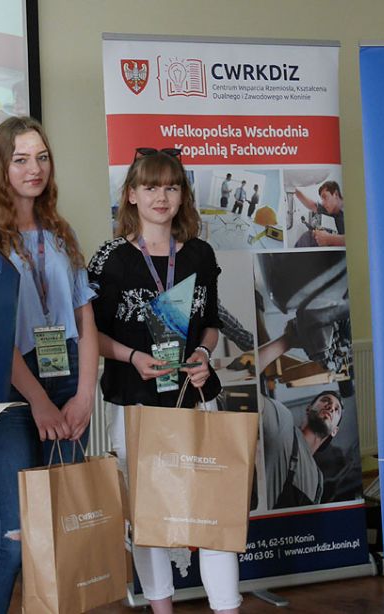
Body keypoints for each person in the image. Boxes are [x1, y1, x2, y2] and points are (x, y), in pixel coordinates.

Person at [88, 148, 240, 613]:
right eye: (150, 187)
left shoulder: (199, 253)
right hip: (135, 404)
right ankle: (161, 608)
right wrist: (133, 356)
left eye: (171, 187)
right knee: (149, 519)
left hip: (195, 399)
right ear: (131, 195)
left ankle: (227, 606)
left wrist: (203, 353)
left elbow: (210, 324)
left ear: (182, 196)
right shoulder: (110, 259)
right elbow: (91, 334)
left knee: (212, 512)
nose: (161, 197)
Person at [0, 116, 99, 614]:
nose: (34, 168)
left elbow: (85, 319)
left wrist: (84, 396)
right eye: (21, 159)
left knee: (59, 535)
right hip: (12, 392)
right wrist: (39, 401)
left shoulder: (62, 232)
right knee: (15, 539)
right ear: (1, 167)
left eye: (41, 157)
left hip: (69, 382)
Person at [260, 391, 342, 508]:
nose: (331, 407)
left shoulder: (317, 481)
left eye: (337, 409)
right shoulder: (283, 421)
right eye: (325, 400)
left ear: (335, 431)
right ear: (308, 409)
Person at [294, 180, 345, 247]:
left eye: (325, 197)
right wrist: (293, 189)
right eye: (322, 199)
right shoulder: (330, 210)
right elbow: (312, 205)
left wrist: (329, 239)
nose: (323, 203)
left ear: (335, 194)